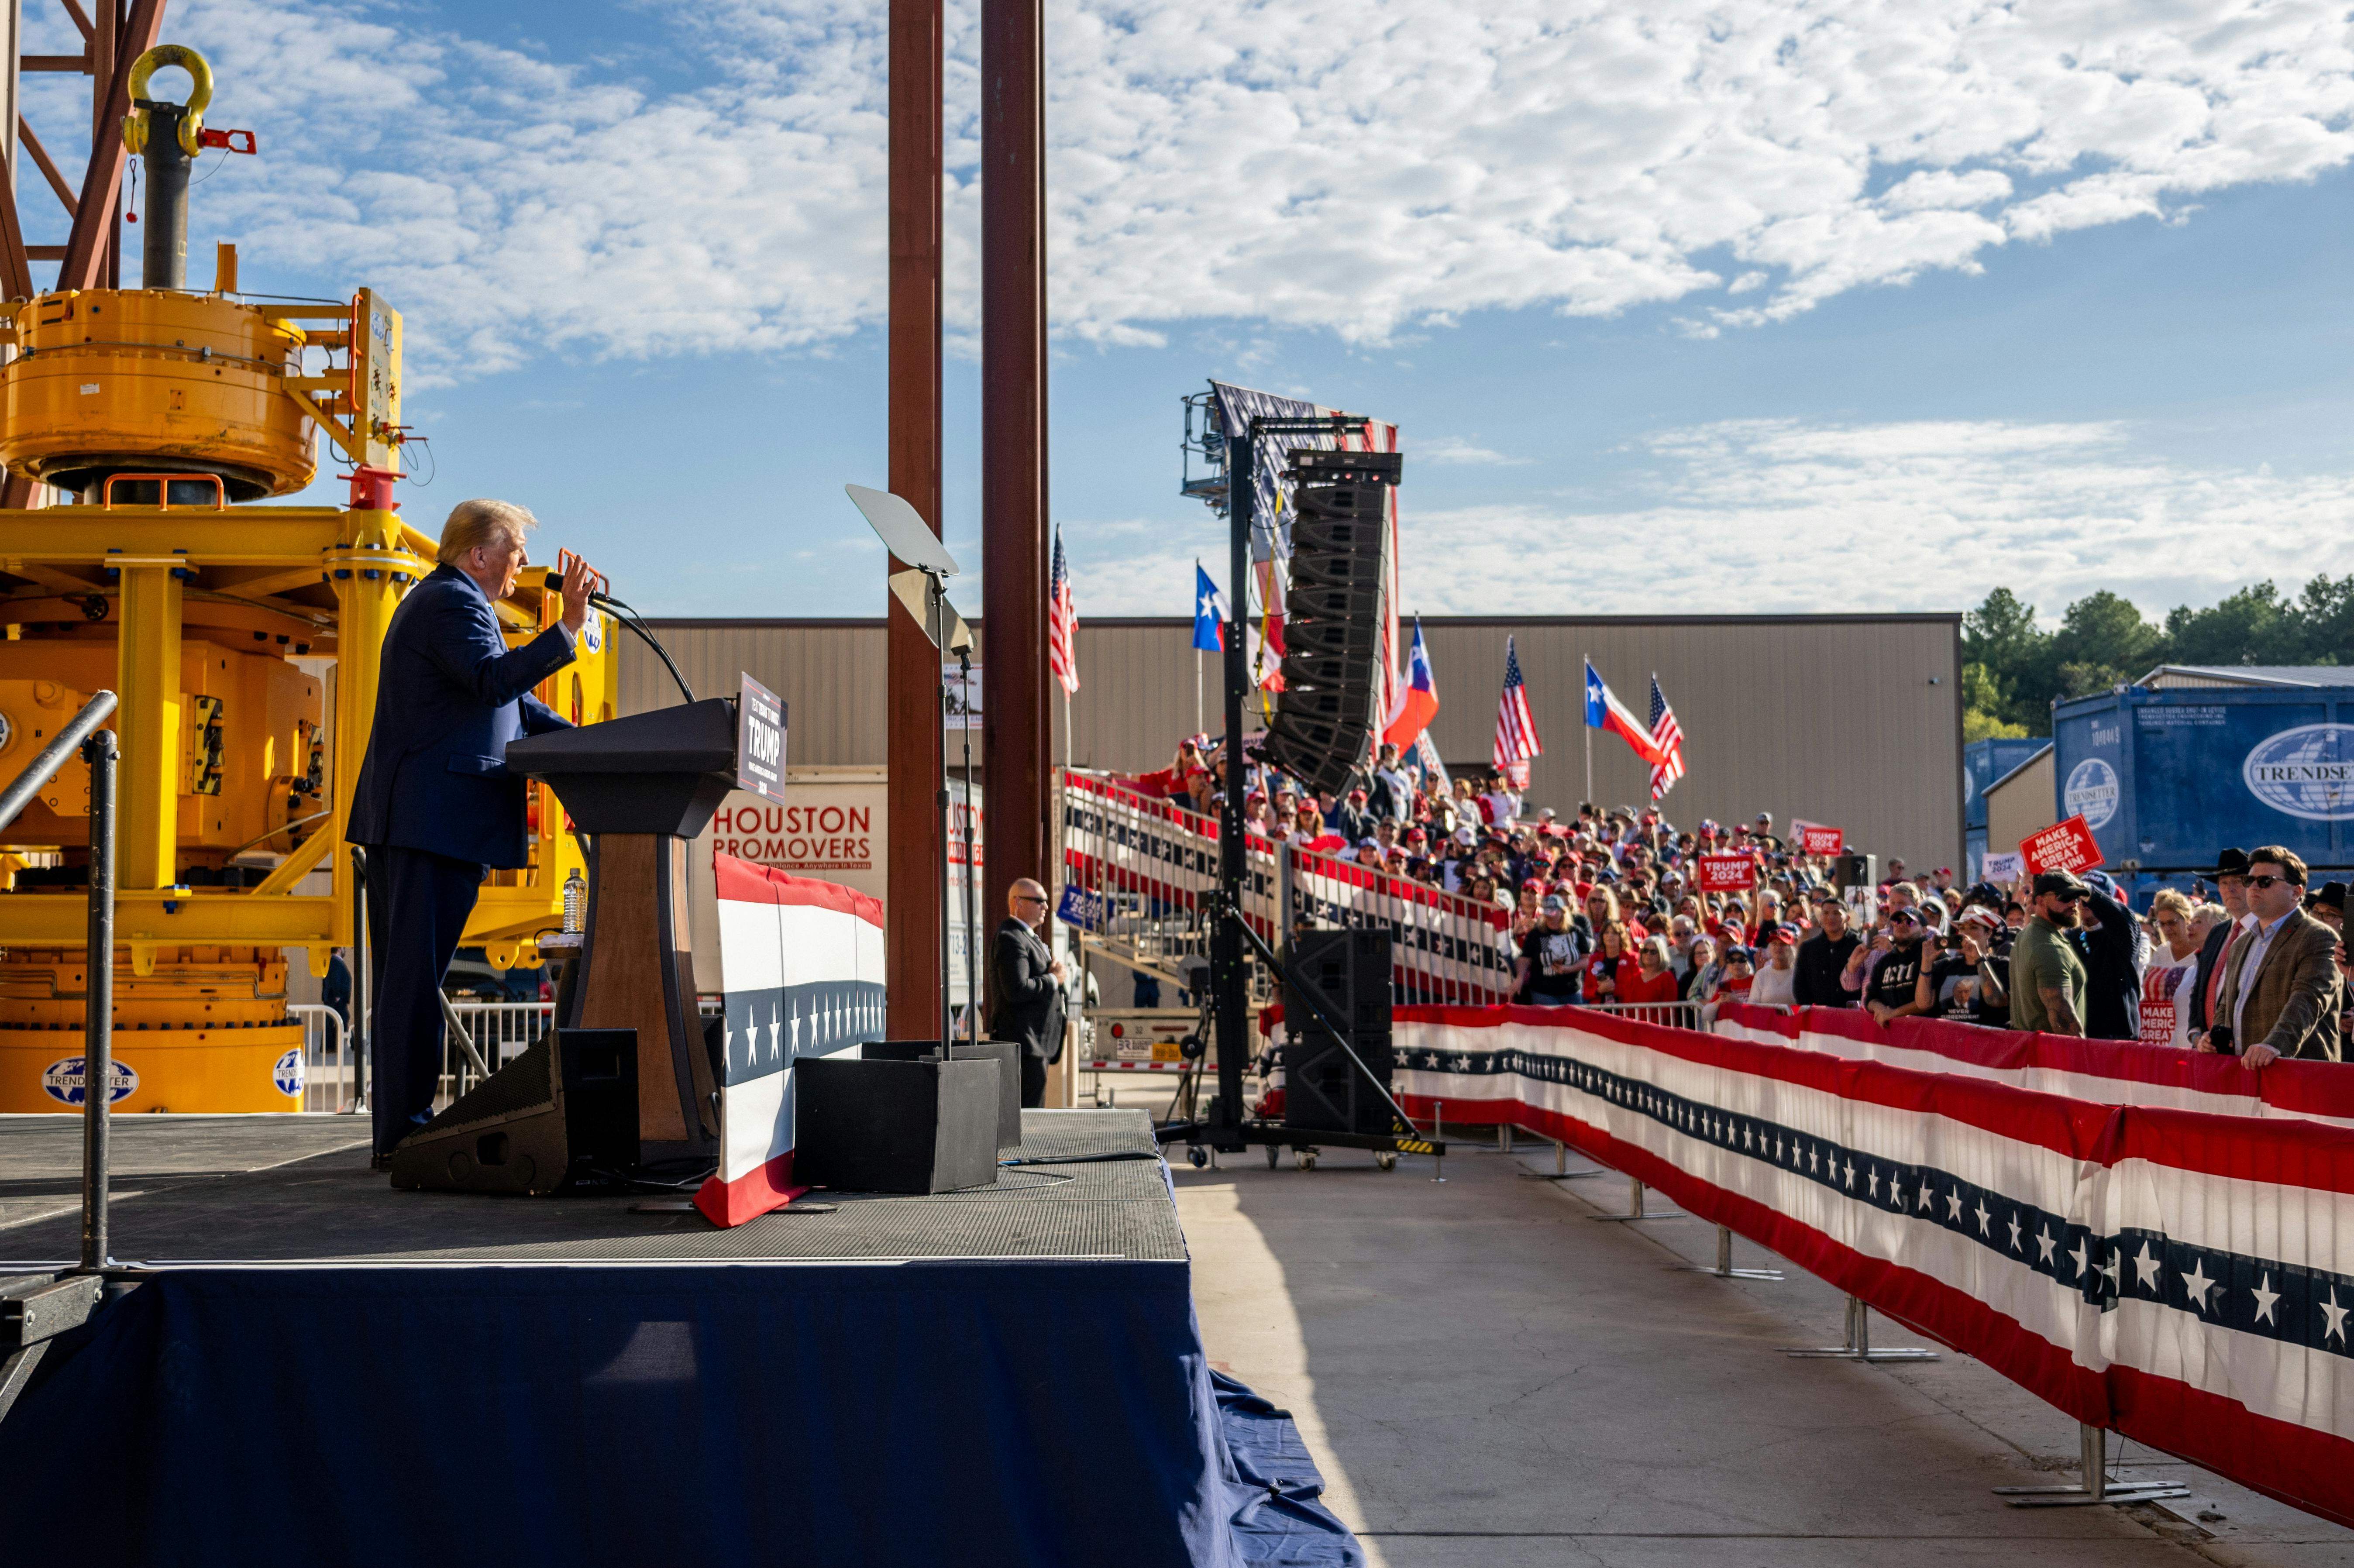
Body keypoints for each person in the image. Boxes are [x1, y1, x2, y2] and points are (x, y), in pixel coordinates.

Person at [346, 499, 595, 1166]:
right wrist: (567, 629)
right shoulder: (450, 604)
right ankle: (403, 1135)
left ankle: (406, 1129)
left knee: (414, 980)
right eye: (514, 550)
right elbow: (494, 683)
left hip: (436, 825)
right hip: (428, 825)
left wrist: (604, 747)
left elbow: (520, 707)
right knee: (412, 982)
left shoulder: (460, 606)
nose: (521, 564)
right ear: (477, 554)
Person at [2212, 846, 2344, 1066]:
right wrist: (2215, 1038)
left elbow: (2309, 999)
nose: (2254, 887)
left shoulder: (2317, 937)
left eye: (2265, 881)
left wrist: (2275, 1045)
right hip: (2247, 1076)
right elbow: (2227, 1006)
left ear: (2296, 892)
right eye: (2249, 880)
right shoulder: (2240, 944)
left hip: (2301, 1076)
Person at [988, 877, 1070, 1105]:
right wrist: (1054, 979)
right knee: (1028, 1117)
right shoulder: (1011, 938)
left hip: (1036, 1045)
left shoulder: (1028, 938)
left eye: (1045, 901)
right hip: (1025, 1045)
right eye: (1039, 900)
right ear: (1018, 903)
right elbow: (1017, 989)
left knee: (1034, 1113)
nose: (1046, 906)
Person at [2011, 871, 2091, 1036]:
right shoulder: (2049, 946)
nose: (2073, 904)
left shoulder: (2026, 935)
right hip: (2054, 1058)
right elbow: (2064, 1021)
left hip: (2034, 1055)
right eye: (2064, 898)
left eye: (2076, 898)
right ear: (2040, 901)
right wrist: (2082, 1059)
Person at [2074, 871, 2146, 1041]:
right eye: (2079, 897)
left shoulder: (2123, 935)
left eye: (2089, 896)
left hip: (2116, 1037)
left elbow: (2123, 919)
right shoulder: (2071, 936)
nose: (2084, 902)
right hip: (2081, 1036)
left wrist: (2091, 893)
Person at [2191, 849, 2254, 1041]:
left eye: (2238, 881)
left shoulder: (2266, 932)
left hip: (2250, 1049)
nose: (2230, 889)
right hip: (2211, 1049)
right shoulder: (2218, 933)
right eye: (2224, 883)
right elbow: (2200, 988)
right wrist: (2195, 1033)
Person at [2138, 889, 2202, 1050]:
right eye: (2162, 924)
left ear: (2187, 920)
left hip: (2188, 1035)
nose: (2166, 929)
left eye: (2172, 923)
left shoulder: (2201, 954)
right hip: (2156, 1035)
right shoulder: (2161, 952)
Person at [1864, 906, 1930, 1025]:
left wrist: (1894, 1013)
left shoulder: (1931, 957)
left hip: (1922, 1035)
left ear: (1924, 930)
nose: (1902, 925)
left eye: (1910, 922)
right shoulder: (1884, 962)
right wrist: (1880, 1009)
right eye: (1897, 921)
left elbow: (1929, 1001)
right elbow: (1870, 999)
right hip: (1890, 1038)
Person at [1515, 895, 1586, 1006]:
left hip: (1571, 992)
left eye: (1552, 912)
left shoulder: (1576, 932)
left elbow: (1586, 959)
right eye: (1546, 912)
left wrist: (1569, 969)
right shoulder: (1536, 934)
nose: (1549, 916)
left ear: (1562, 912)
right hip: (1543, 992)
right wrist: (1520, 978)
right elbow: (1525, 958)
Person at [1793, 897, 1858, 1007]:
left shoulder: (1858, 947)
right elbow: (1800, 986)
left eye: (1837, 913)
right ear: (1820, 918)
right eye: (1826, 913)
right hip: (1817, 1017)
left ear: (1847, 918)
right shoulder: (1808, 948)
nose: (1831, 917)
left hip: (1850, 1018)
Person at [1748, 923, 1798, 1005]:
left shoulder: (1800, 975)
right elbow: (1752, 1007)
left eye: (1783, 944)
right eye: (1774, 944)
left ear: (1791, 949)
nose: (1778, 948)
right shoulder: (1761, 975)